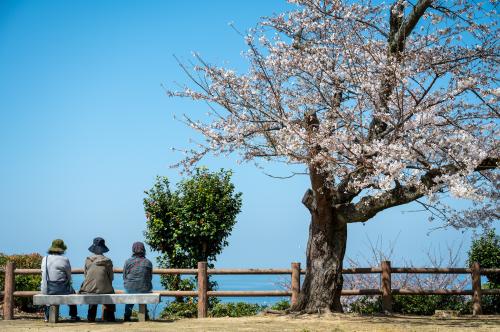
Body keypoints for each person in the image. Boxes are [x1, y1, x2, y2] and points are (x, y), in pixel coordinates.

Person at [40, 239, 80, 322]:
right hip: (62, 289)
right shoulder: (64, 259)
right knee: (72, 292)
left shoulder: (45, 259)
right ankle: (73, 315)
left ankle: (47, 316)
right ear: (62, 249)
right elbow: (69, 277)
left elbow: (43, 276)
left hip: (48, 288)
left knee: (48, 295)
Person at [79, 237, 115, 322]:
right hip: (105, 289)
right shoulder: (108, 261)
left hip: (89, 289)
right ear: (103, 248)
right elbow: (111, 278)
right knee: (110, 292)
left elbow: (86, 275)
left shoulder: (88, 260)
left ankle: (91, 317)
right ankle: (110, 317)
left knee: (92, 289)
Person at [123, 241, 153, 321]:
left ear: (133, 250)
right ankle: (144, 315)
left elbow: (124, 276)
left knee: (130, 296)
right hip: (144, 287)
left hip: (130, 287)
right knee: (143, 292)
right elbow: (150, 277)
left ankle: (127, 315)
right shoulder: (148, 262)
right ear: (144, 250)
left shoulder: (128, 261)